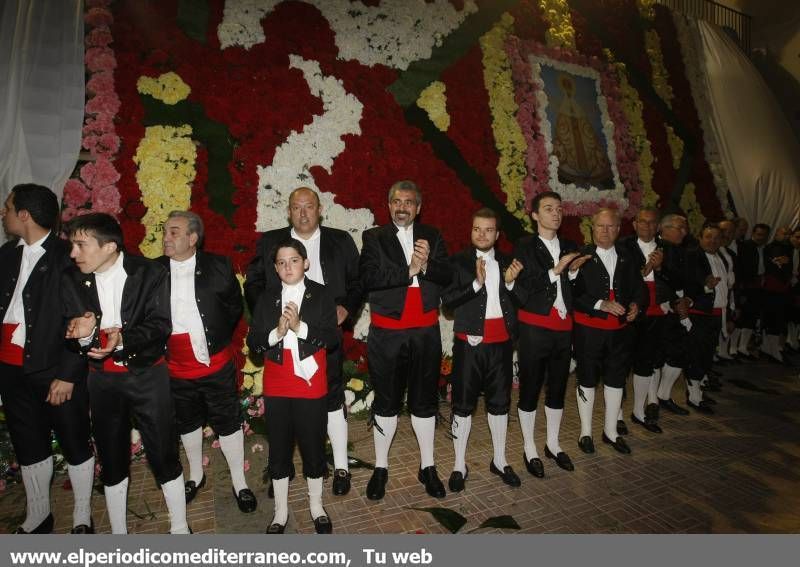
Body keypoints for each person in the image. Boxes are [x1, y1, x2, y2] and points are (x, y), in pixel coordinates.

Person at [62, 213, 189, 534]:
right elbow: (73, 332)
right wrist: (86, 335)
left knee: (163, 452)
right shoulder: (71, 279)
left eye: (81, 245)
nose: (73, 253)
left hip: (148, 377)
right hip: (102, 381)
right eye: (72, 245)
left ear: (109, 247)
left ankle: (179, 527)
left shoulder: (150, 272)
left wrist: (123, 338)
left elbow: (160, 325)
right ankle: (119, 535)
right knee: (111, 456)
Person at [245, 187, 361, 495]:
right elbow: (254, 282)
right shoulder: (271, 242)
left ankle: (340, 467)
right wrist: (268, 315)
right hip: (281, 339)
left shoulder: (341, 240)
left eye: (309, 206)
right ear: (288, 211)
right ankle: (281, 468)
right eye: (296, 207)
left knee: (332, 397)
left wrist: (346, 307)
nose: (303, 212)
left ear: (319, 208)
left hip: (321, 334)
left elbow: (358, 280)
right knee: (282, 408)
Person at [0, 184, 94, 534]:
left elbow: (83, 316)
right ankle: (38, 514)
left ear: (24, 214)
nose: (3, 213)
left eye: (8, 206)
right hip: (10, 366)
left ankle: (83, 515)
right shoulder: (5, 256)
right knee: (28, 441)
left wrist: (69, 373)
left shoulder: (66, 255)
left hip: (55, 368)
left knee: (73, 438)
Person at [157, 211, 256, 512]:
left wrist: (210, 338)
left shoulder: (218, 265)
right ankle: (196, 475)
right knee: (186, 423)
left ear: (192, 238)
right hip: (174, 367)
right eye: (165, 231)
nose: (166, 237)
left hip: (215, 363)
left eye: (174, 232)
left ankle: (240, 481)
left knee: (227, 421)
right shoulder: (151, 270)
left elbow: (232, 306)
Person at [359, 180, 451, 500]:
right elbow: (368, 277)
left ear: (418, 207)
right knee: (386, 401)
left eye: (409, 202)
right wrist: (407, 270)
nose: (402, 207)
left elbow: (448, 275)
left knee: (425, 401)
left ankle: (428, 467)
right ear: (388, 205)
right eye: (396, 201)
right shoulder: (373, 237)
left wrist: (426, 266)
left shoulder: (434, 236)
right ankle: (381, 468)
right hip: (387, 333)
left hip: (426, 331)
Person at [247, 238, 338, 534]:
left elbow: (333, 338)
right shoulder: (266, 297)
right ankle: (281, 512)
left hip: (310, 381)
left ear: (306, 262)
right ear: (275, 268)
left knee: (313, 445)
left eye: (294, 260)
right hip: (277, 379)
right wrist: (277, 332)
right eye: (282, 262)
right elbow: (254, 342)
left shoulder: (322, 295)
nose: (288, 267)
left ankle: (316, 506)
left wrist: (300, 327)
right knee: (280, 448)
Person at [510, 191, 590, 476]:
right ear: (535, 215)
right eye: (548, 209)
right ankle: (530, 447)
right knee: (530, 387)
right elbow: (526, 286)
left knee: (558, 387)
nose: (555, 214)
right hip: (534, 326)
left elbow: (578, 291)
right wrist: (556, 270)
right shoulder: (524, 246)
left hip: (563, 326)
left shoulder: (571, 245)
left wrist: (572, 274)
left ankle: (553, 444)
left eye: (558, 209)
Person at [442, 208, 521, 492]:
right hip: (469, 345)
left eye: (488, 230)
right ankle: (458, 464)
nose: (482, 234)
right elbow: (448, 304)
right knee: (463, 405)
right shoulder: (458, 262)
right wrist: (475, 284)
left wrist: (510, 282)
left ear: (497, 235)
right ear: (471, 230)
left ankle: (499, 460)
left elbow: (522, 300)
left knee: (500, 404)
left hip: (502, 344)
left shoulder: (509, 261)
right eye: (477, 229)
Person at [572, 208, 646, 455]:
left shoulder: (628, 256)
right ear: (591, 228)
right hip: (588, 331)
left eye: (611, 226)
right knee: (587, 379)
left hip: (620, 331)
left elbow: (639, 288)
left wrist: (637, 305)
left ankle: (611, 432)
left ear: (618, 229)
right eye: (600, 226)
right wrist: (599, 304)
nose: (605, 231)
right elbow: (573, 294)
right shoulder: (579, 256)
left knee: (616, 380)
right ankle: (585, 432)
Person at [619, 207, 671, 434]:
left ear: (658, 226)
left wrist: (660, 268)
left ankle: (639, 411)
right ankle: (617, 414)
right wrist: (647, 268)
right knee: (620, 364)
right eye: (643, 222)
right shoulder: (623, 246)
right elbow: (622, 278)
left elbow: (677, 279)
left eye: (652, 223)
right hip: (631, 309)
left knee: (646, 363)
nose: (647, 226)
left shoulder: (667, 248)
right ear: (634, 224)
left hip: (656, 312)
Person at [683, 224, 728, 414]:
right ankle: (694, 397)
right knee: (696, 355)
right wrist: (706, 286)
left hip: (716, 314)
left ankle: (699, 391)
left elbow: (726, 288)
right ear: (700, 238)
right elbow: (688, 286)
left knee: (707, 356)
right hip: (700, 314)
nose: (713, 241)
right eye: (708, 237)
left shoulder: (721, 257)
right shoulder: (693, 256)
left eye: (717, 238)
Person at [654, 214, 692, 416]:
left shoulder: (681, 251)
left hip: (678, 307)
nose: (684, 232)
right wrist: (672, 301)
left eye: (685, 228)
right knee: (660, 355)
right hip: (663, 309)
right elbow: (656, 279)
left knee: (678, 353)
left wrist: (687, 300)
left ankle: (663, 395)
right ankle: (658, 397)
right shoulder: (657, 247)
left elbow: (687, 281)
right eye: (680, 228)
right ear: (664, 228)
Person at [732, 223, 769, 359]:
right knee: (740, 317)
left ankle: (743, 347)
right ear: (753, 233)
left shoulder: (765, 249)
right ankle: (733, 348)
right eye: (758, 234)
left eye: (764, 235)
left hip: (759, 287)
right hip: (745, 286)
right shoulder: (744, 246)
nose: (761, 237)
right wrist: (741, 288)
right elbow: (740, 269)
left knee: (752, 317)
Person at [761, 226, 793, 362]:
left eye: (788, 234)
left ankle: (771, 348)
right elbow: (775, 265)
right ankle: (770, 348)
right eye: (783, 233)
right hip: (772, 289)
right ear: (777, 233)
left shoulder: (788, 248)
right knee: (772, 319)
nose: (786, 236)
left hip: (782, 289)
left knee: (778, 319)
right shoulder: (769, 248)